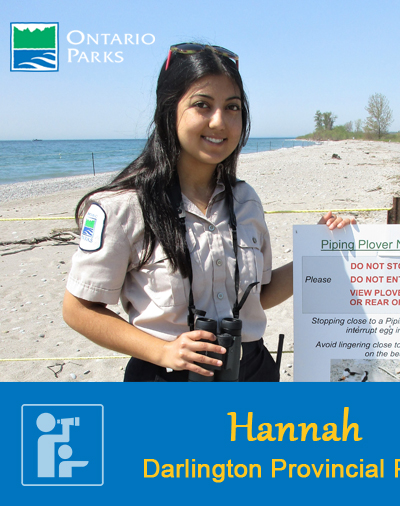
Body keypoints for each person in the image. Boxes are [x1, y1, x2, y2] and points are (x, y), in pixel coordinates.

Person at [62, 43, 355, 382]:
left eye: (232, 107)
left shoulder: (245, 200)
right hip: (167, 379)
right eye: (202, 105)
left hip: (252, 372)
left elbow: (261, 294)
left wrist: (323, 245)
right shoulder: (124, 206)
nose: (219, 122)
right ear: (169, 110)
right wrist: (163, 351)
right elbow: (78, 309)